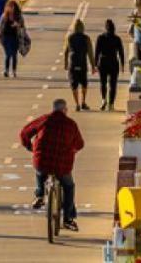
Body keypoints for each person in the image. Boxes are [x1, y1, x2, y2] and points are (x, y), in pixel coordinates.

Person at [20, 98, 84, 231]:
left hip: (43, 160)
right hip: (62, 164)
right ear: (64, 110)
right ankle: (68, 219)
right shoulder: (71, 124)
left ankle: (39, 195)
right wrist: (72, 150)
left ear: (53, 109)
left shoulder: (44, 120)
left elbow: (24, 133)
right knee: (69, 186)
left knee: (39, 171)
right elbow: (80, 144)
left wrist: (30, 147)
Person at [94, 19, 127, 111]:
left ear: (106, 28)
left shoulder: (100, 38)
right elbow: (121, 52)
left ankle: (103, 99)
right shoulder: (117, 39)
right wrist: (122, 64)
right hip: (113, 62)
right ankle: (111, 104)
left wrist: (95, 64)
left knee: (103, 83)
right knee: (113, 84)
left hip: (103, 61)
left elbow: (97, 52)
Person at [64, 20, 95, 110]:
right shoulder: (86, 38)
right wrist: (93, 66)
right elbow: (90, 53)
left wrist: (66, 63)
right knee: (84, 83)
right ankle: (83, 102)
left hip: (73, 63)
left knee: (74, 84)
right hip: (82, 63)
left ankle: (77, 104)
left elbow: (66, 51)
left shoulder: (70, 37)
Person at [0, 0, 26, 78]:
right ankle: (6, 70)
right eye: (10, 6)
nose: (11, 8)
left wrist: (18, 25)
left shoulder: (19, 16)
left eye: (13, 7)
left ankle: (14, 71)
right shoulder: (4, 16)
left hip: (15, 37)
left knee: (14, 55)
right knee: (8, 54)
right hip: (5, 37)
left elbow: (23, 26)